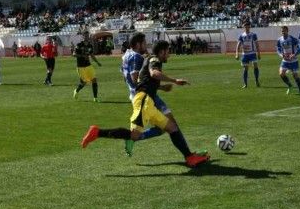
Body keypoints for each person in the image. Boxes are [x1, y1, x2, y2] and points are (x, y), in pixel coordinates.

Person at [80, 40, 210, 168]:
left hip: (149, 102)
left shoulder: (149, 59)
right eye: (167, 52)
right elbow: (154, 73)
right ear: (162, 51)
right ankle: (97, 132)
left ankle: (190, 157)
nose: (169, 55)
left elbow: (146, 80)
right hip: (144, 101)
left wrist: (162, 88)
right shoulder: (154, 60)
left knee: (172, 127)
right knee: (134, 136)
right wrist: (175, 80)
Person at [73, 31, 102, 102]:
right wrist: (83, 56)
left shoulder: (90, 45)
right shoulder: (79, 45)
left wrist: (97, 62)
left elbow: (91, 55)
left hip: (88, 65)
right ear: (83, 36)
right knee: (83, 82)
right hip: (80, 66)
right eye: (85, 36)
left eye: (87, 35)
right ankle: (76, 91)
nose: (86, 37)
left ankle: (95, 98)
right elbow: (74, 54)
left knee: (94, 80)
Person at [276, 26, 300, 94]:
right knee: (281, 74)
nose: (283, 32)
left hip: (294, 60)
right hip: (285, 61)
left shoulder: (293, 39)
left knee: (295, 75)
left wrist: (294, 54)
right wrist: (281, 55)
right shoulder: (279, 40)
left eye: (284, 31)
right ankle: (290, 86)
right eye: (282, 31)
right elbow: (278, 49)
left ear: (288, 31)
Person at [235, 23, 261, 88]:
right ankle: (245, 84)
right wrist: (237, 54)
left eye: (248, 26)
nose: (246, 28)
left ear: (249, 27)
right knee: (245, 69)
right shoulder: (241, 35)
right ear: (244, 27)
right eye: (245, 26)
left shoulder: (253, 35)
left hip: (252, 53)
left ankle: (257, 80)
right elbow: (238, 45)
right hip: (245, 54)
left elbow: (257, 44)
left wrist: (258, 53)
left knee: (255, 65)